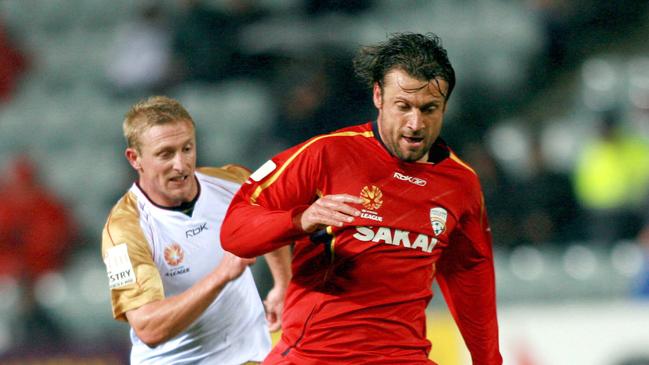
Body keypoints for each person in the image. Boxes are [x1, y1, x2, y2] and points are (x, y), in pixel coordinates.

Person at [221, 33, 502, 364]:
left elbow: (470, 278)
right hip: (315, 356)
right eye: (404, 106)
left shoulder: (461, 184)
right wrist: (300, 220)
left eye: (429, 109)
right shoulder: (327, 154)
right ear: (378, 96)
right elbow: (234, 232)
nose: (416, 123)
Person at [100, 96, 291, 364]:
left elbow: (270, 222)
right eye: (165, 154)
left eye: (187, 149)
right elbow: (147, 328)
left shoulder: (233, 183)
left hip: (253, 357)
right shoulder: (124, 230)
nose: (181, 164)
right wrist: (222, 275)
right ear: (135, 159)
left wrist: (283, 284)